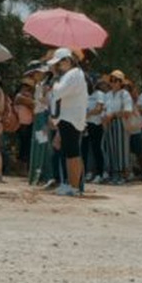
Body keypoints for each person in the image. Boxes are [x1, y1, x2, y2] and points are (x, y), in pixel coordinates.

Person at [48, 48, 88, 195]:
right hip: (67, 118)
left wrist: (55, 79)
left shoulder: (74, 74)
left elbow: (58, 92)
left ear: (67, 61)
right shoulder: (70, 75)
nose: (57, 67)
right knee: (69, 153)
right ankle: (71, 184)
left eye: (58, 64)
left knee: (73, 153)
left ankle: (74, 187)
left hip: (71, 118)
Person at [101, 69, 133, 185]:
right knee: (110, 148)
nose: (113, 83)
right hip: (109, 123)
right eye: (112, 80)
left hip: (120, 122)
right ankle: (113, 173)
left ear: (121, 82)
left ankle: (123, 174)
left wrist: (113, 115)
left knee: (121, 148)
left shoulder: (125, 94)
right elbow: (104, 109)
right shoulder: (107, 95)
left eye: (116, 80)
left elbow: (128, 111)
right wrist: (104, 118)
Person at [82, 76, 107, 184]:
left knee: (97, 149)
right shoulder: (83, 95)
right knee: (84, 150)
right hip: (85, 125)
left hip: (96, 125)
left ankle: (100, 174)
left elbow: (98, 109)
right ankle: (85, 173)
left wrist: (86, 114)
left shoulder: (99, 94)